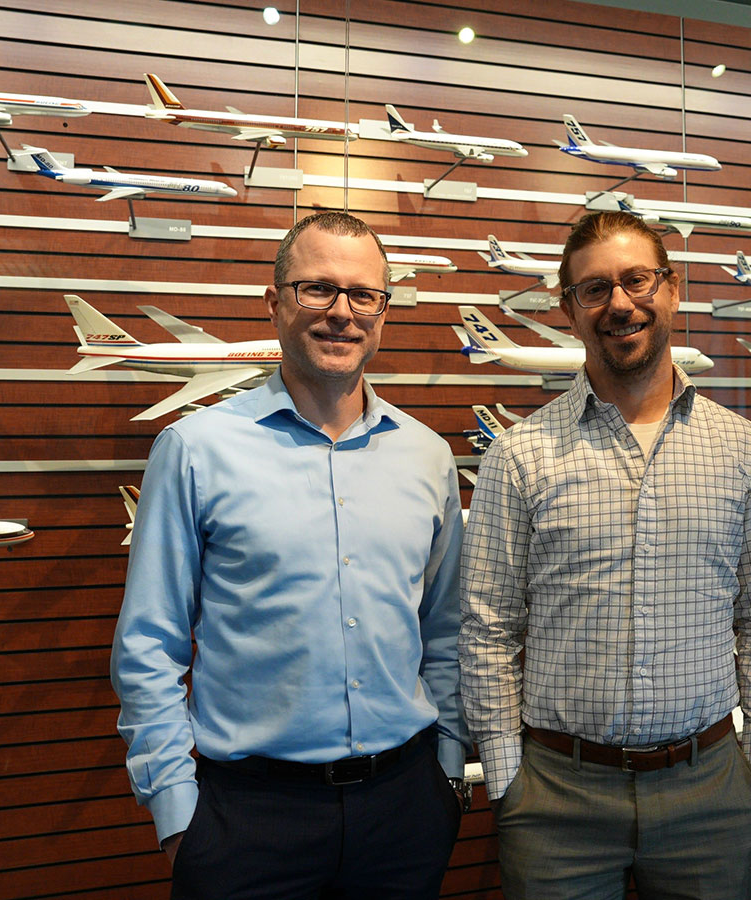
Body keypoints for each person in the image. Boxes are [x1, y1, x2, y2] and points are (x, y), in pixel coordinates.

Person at [111, 211, 470, 900]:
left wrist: (448, 774)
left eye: (364, 295)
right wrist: (178, 818)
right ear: (274, 302)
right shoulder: (195, 450)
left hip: (405, 812)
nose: (343, 312)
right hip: (247, 821)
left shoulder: (427, 455)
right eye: (318, 290)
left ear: (384, 312)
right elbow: (148, 647)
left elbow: (445, 633)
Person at [460, 210, 751, 900]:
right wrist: (508, 781)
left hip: (711, 790)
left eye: (637, 280)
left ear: (671, 290)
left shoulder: (739, 449)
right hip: (556, 799)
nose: (619, 303)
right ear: (569, 309)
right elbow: (487, 625)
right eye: (594, 290)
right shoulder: (519, 455)